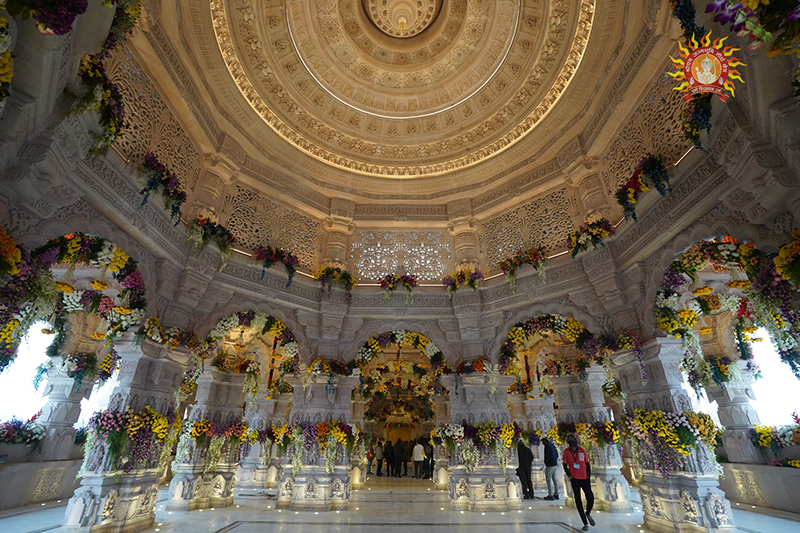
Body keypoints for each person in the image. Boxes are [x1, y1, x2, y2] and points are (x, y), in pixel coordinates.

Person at [563, 435, 595, 531]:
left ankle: (588, 513)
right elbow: (565, 465)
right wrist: (570, 476)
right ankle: (585, 523)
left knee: (590, 497)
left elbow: (587, 463)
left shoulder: (582, 450)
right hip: (575, 479)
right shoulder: (566, 452)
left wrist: (588, 475)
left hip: (584, 478)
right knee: (578, 500)